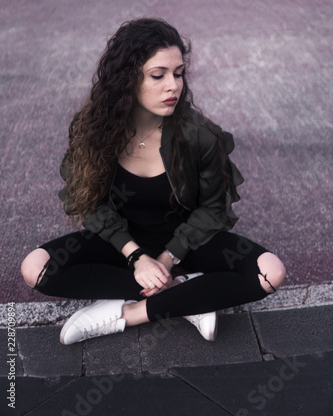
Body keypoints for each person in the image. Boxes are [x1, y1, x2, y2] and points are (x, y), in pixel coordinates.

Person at [21, 18, 286, 345]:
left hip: (186, 245)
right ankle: (189, 293)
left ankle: (126, 314)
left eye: (178, 73)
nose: (173, 85)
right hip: (121, 245)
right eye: (158, 75)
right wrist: (136, 257)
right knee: (36, 268)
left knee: (270, 273)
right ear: (127, 79)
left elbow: (213, 209)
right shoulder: (94, 130)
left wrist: (166, 258)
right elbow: (87, 203)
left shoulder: (199, 135)